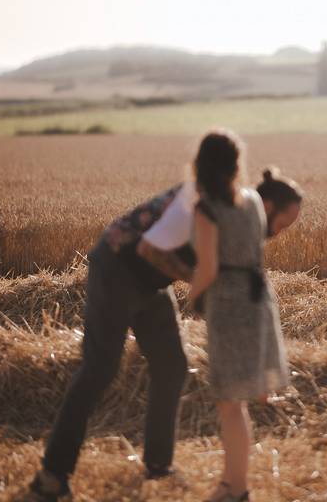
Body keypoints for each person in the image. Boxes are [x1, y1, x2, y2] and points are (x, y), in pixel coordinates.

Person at [27, 130, 301, 501]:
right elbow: (149, 249)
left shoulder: (227, 203)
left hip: (152, 284)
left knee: (172, 364)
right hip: (117, 271)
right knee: (100, 368)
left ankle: (159, 465)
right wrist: (203, 283)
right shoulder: (191, 202)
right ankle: (52, 476)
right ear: (234, 166)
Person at [186, 143, 301, 502]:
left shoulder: (207, 209)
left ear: (201, 166)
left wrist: (191, 300)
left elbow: (207, 269)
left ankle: (237, 490)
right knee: (238, 401)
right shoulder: (252, 199)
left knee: (230, 402)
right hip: (258, 298)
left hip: (229, 303)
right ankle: (228, 484)